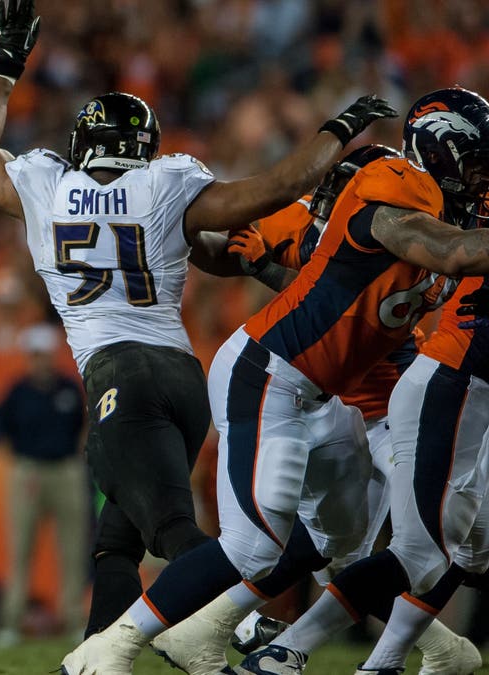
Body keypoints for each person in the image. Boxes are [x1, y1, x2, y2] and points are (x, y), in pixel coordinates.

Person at [0, 1, 395, 666]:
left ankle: (231, 625)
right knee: (117, 538)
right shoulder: (166, 182)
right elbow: (274, 187)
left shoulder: (45, 184)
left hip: (116, 377)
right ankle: (95, 652)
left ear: (80, 146)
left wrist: (6, 65)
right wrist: (337, 131)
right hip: (181, 375)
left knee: (172, 531)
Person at [70, 85, 489, 675]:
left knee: (347, 536)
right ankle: (112, 647)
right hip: (276, 375)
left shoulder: (447, 207)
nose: (329, 202)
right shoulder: (391, 192)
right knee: (256, 543)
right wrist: (191, 235)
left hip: (339, 396)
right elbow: (444, 255)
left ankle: (239, 630)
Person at [156, 146, 478, 675]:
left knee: (415, 539)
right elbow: (231, 255)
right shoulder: (303, 219)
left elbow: (340, 300)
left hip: (385, 405)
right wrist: (183, 227)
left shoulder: (399, 229)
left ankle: (262, 629)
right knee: (333, 544)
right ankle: (279, 637)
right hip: (323, 401)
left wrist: (262, 267)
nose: (338, 204)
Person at [238, 272, 489, 675]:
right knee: (416, 551)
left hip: (447, 389)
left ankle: (436, 656)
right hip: (453, 384)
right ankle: (289, 651)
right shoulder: (387, 227)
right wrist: (265, 263)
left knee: (472, 548)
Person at [0, 323, 87, 646]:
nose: (39, 361)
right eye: (34, 355)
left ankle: (73, 618)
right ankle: (10, 621)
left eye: (43, 355)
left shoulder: (69, 389)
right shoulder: (18, 391)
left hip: (65, 469)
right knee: (20, 551)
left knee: (73, 550)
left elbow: (83, 428)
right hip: (28, 471)